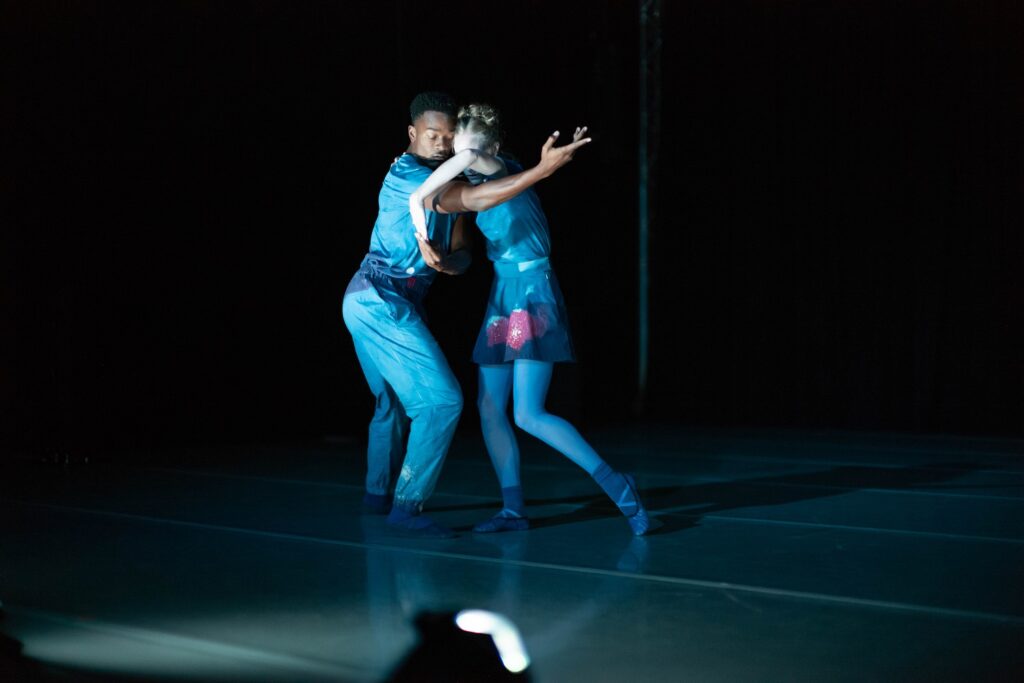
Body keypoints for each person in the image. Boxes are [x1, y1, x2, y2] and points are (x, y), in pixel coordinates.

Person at [343, 92, 591, 538]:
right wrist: (541, 171)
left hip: (369, 301)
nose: (441, 145)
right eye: (432, 136)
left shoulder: (446, 171)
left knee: (392, 402)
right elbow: (469, 200)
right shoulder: (408, 173)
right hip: (379, 300)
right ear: (412, 133)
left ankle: (376, 497)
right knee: (442, 402)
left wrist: (445, 261)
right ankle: (407, 507)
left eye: (448, 137)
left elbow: (462, 253)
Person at [408, 103, 649, 536]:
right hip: (503, 296)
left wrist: (427, 187)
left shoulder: (502, 168)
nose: (468, 160)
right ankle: (513, 509)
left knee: (528, 414)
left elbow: (464, 162)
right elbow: (455, 186)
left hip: (532, 295)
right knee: (487, 407)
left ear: (495, 149)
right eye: (463, 152)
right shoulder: (484, 185)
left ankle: (618, 484)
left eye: (476, 153)